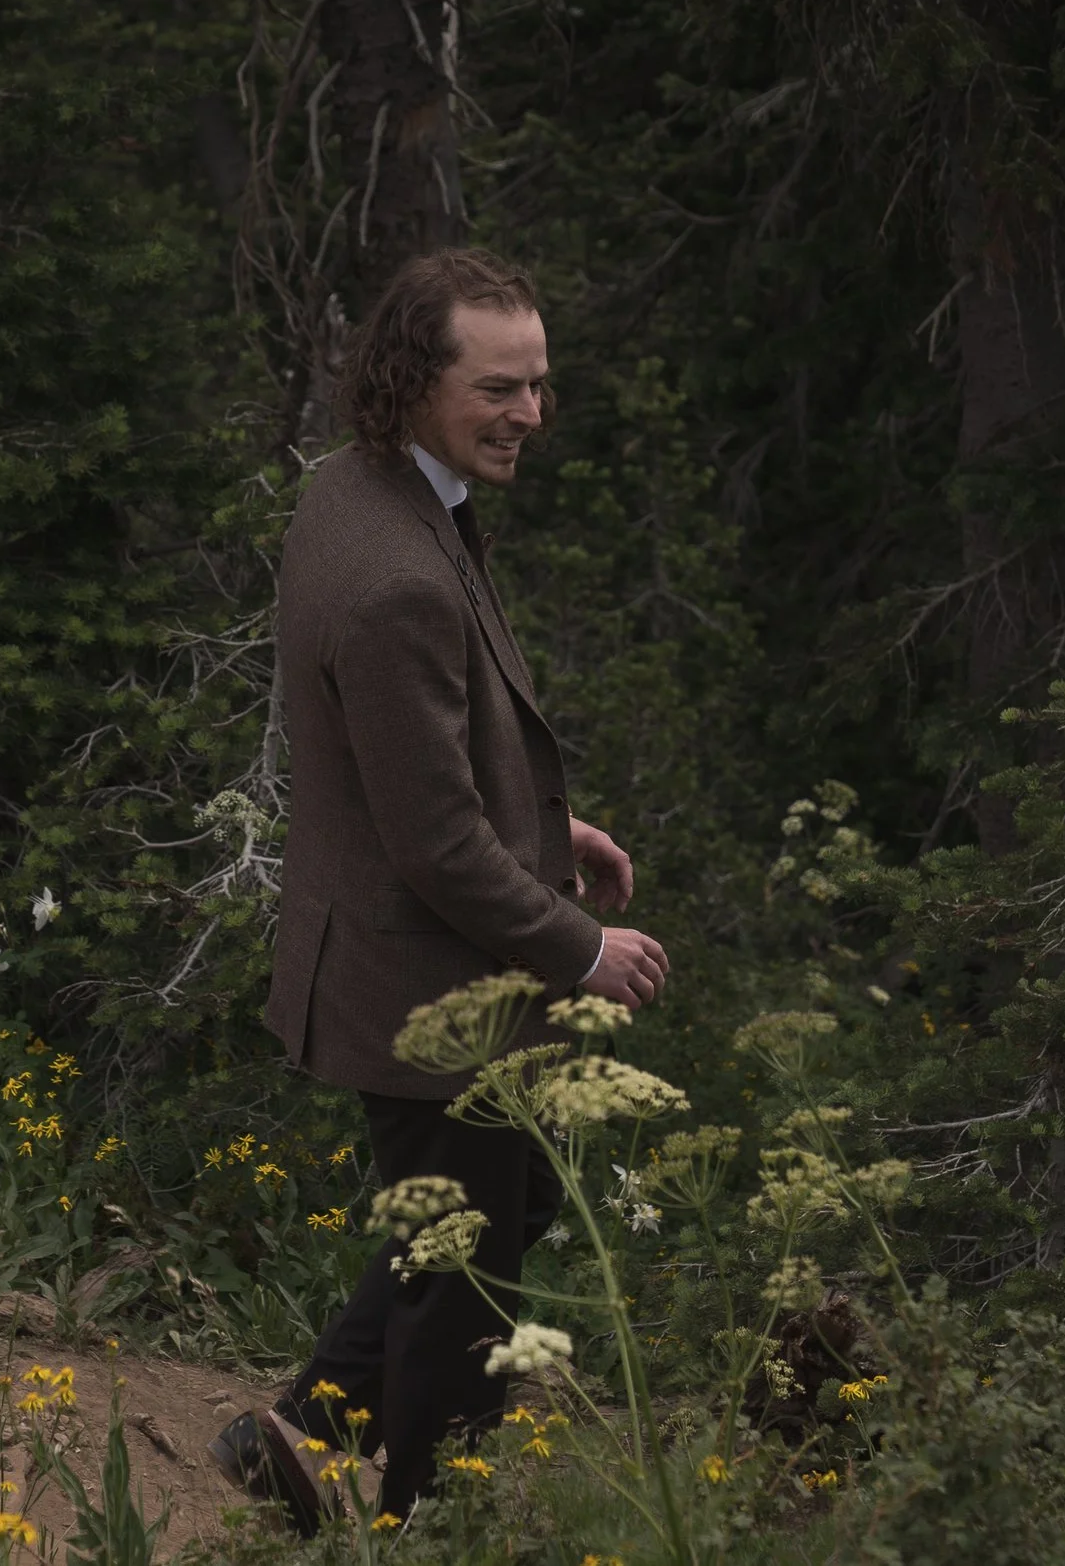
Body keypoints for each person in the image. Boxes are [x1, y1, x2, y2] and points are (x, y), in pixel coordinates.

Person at [212, 248, 670, 1528]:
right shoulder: (397, 573)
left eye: (539, 383)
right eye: (499, 387)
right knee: (468, 1286)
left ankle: (294, 1436)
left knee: (498, 1205)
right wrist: (584, 951)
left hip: (384, 940)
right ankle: (424, 1522)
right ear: (415, 380)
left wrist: (547, 817)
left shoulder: (357, 489)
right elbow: (437, 848)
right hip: (424, 977)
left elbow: (411, 759)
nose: (530, 412)